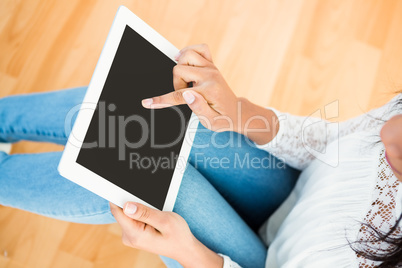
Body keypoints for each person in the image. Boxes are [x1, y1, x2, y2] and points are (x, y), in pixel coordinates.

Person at [0, 44, 400, 267]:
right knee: (157, 115)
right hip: (292, 195)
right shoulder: (397, 126)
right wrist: (239, 112)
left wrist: (189, 253)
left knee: (137, 180)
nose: (392, 128)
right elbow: (332, 142)